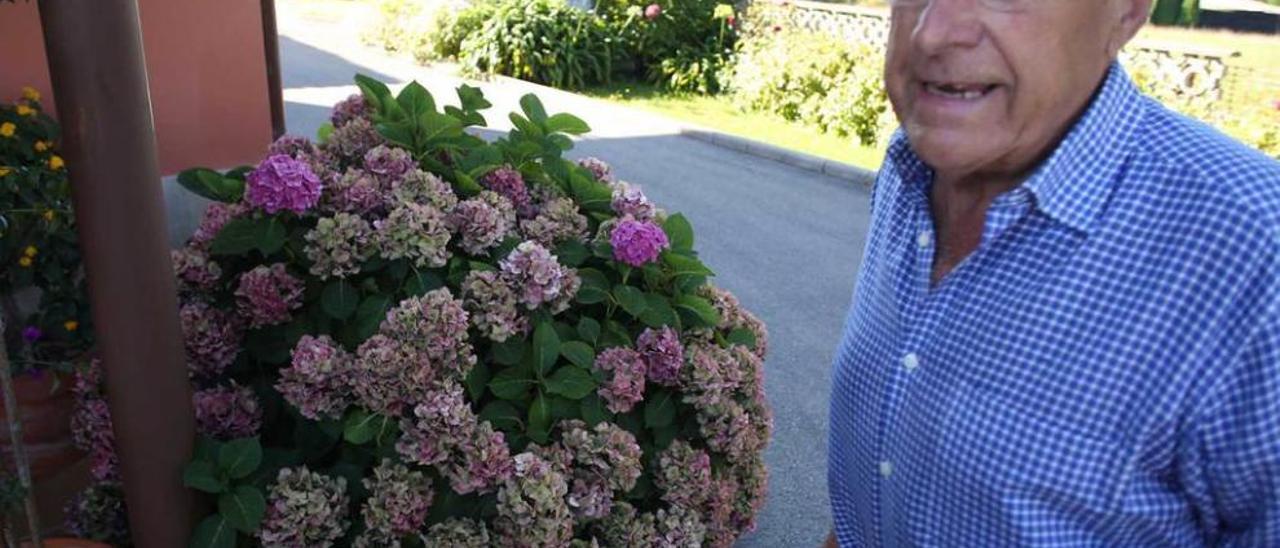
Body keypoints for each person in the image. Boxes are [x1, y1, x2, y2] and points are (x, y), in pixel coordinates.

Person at [825, 0, 1280, 545]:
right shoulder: (913, 167)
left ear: (1129, 12)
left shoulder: (1255, 254)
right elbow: (879, 492)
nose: (931, 32)